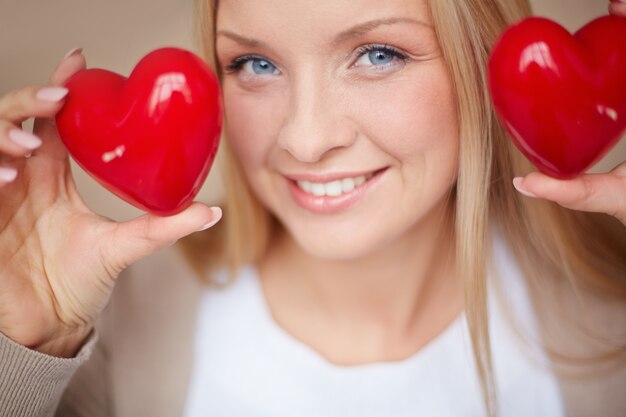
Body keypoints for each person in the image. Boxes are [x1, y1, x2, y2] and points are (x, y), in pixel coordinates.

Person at [1, 0, 625, 416]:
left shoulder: (613, 301)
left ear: (487, 60)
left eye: (379, 55)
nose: (304, 137)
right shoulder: (117, 321)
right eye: (255, 63)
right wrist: (26, 345)